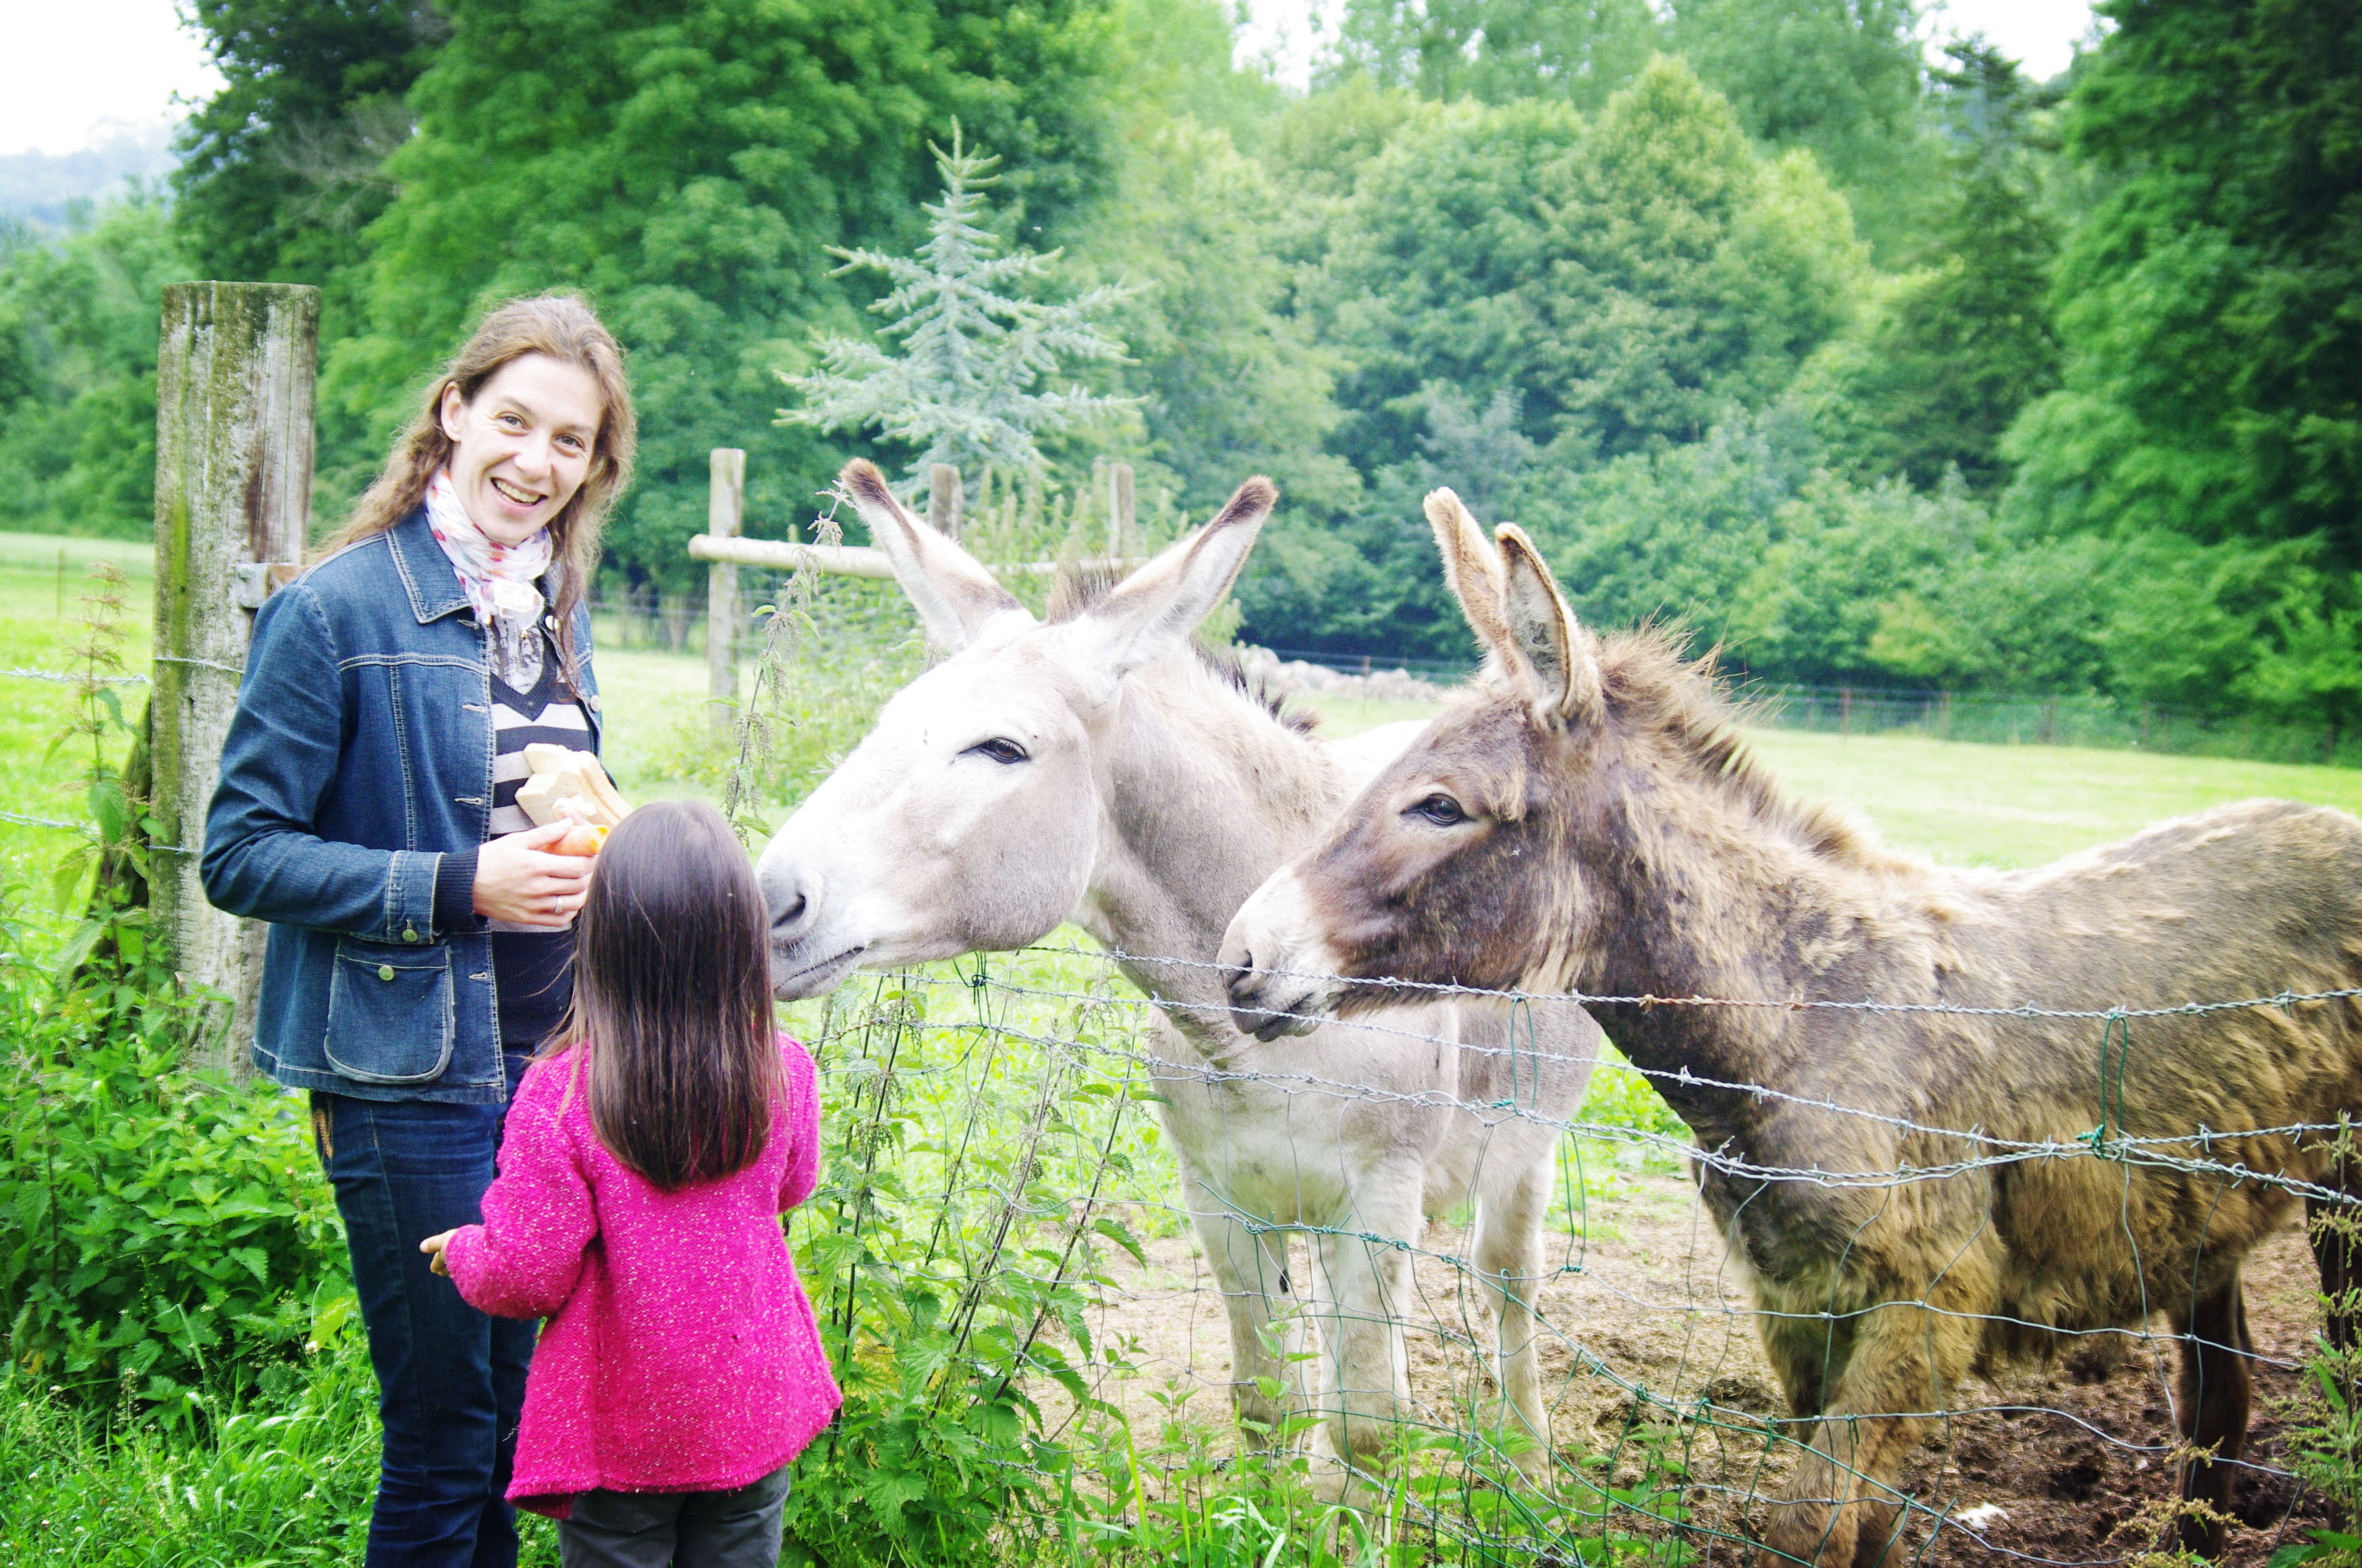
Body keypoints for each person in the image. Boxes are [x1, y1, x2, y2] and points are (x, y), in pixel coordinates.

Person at [202, 293, 636, 1567]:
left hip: (549, 1071)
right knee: (450, 1436)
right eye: (515, 421)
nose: (536, 462)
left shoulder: (552, 611)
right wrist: (466, 885)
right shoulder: (334, 612)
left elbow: (539, 809)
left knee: (517, 1431)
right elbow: (241, 850)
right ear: (453, 412)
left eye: (571, 441)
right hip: (410, 1079)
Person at [419, 799, 842, 1567]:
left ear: (602, 937)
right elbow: (790, 1185)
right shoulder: (784, 1070)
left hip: (620, 1425)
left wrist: (466, 1251)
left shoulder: (562, 1091)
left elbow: (528, 1269)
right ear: (742, 935)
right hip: (750, 1404)